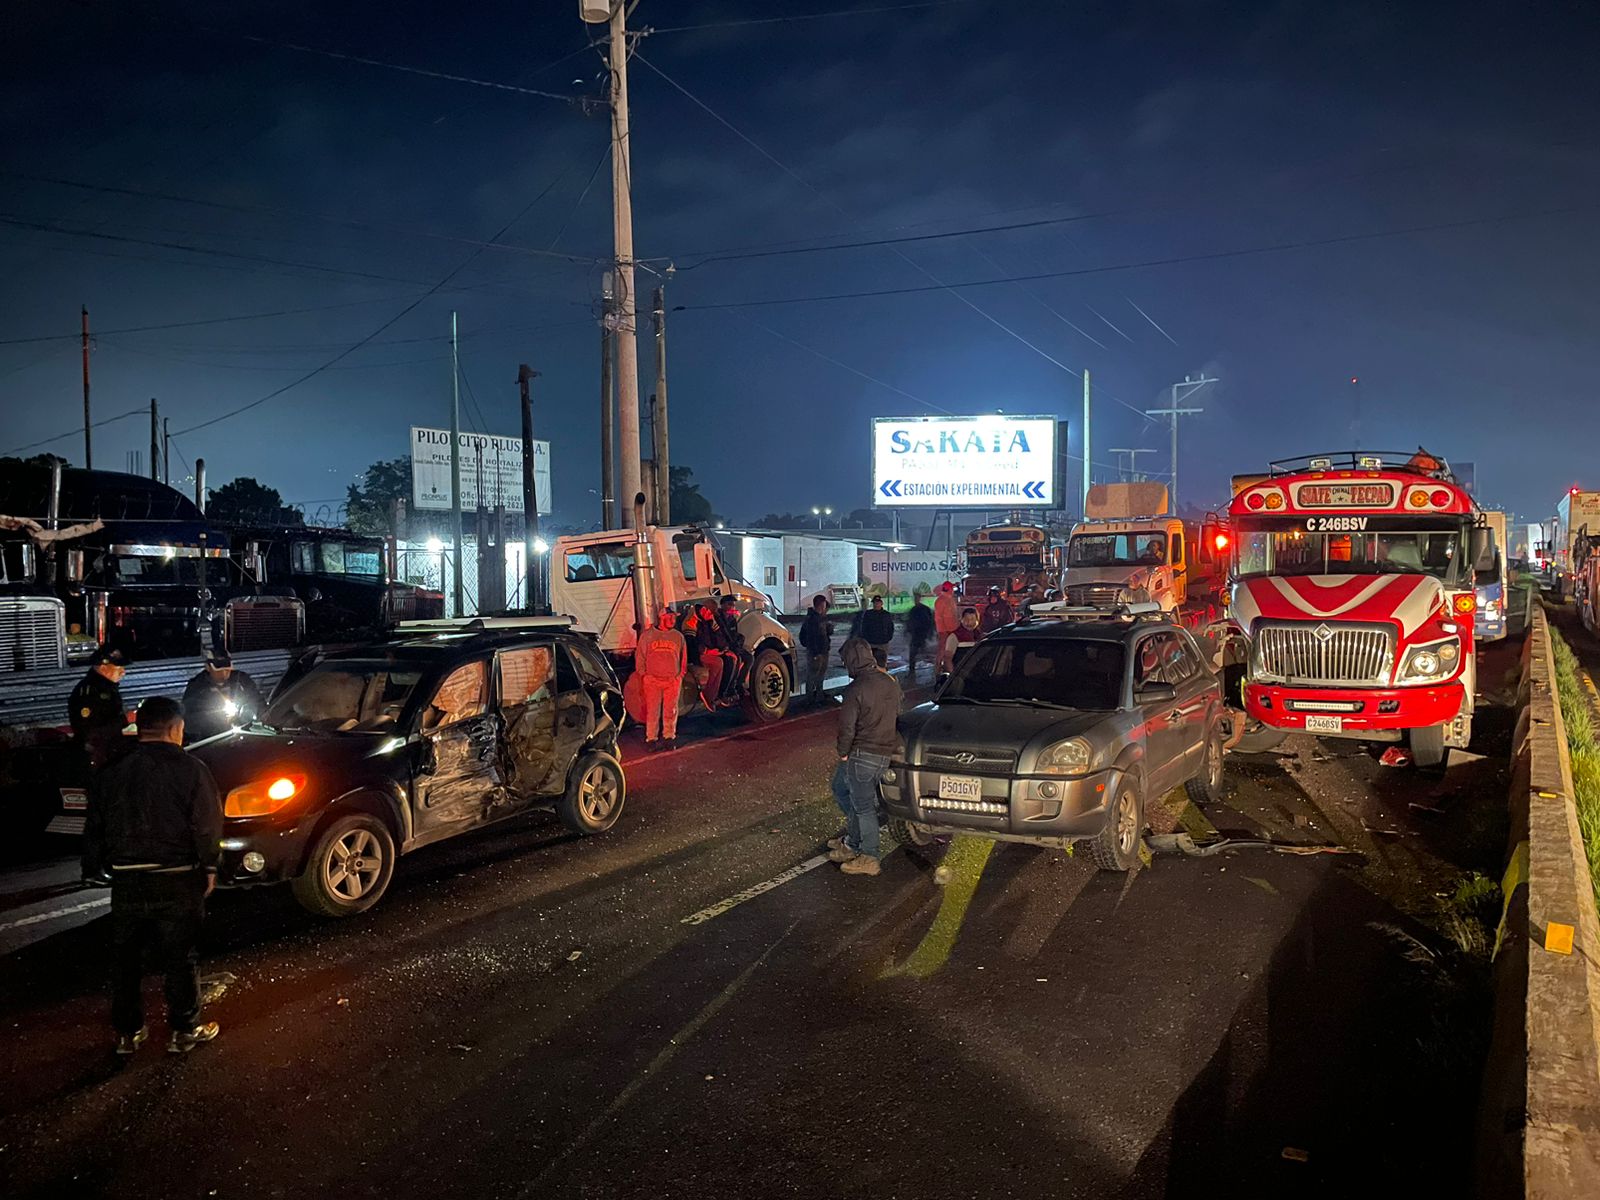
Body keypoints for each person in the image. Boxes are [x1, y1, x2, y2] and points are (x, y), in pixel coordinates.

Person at [82, 696, 222, 1056]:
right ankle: (183, 1031)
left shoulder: (110, 770)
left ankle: (129, 1034)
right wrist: (209, 866)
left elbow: (95, 824)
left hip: (127, 880)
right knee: (180, 957)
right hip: (177, 877)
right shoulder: (191, 768)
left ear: (138, 727)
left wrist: (92, 867)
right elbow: (206, 825)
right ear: (176, 729)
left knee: (125, 961)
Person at [828, 637, 901, 877]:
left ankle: (869, 855)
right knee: (852, 796)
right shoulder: (890, 682)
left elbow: (847, 727)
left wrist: (844, 752)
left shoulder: (856, 688)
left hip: (862, 753)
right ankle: (853, 843)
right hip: (883, 753)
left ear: (852, 661)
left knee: (863, 807)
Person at [181, 650, 266, 744]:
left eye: (227, 670)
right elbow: (188, 719)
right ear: (208, 667)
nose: (224, 674)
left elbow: (259, 702)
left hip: (245, 736)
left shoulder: (242, 680)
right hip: (212, 740)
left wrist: (248, 713)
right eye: (219, 670)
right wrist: (212, 718)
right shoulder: (197, 686)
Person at [69, 647, 131, 770]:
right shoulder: (89, 692)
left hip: (109, 752)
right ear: (103, 668)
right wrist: (125, 719)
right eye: (119, 668)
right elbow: (90, 731)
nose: (123, 672)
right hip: (95, 757)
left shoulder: (108, 689)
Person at [635, 609, 687, 750]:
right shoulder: (647, 636)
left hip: (672, 680)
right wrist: (645, 676)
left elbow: (683, 659)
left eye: (673, 617)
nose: (673, 620)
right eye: (670, 617)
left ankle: (669, 737)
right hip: (652, 680)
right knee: (652, 710)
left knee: (671, 710)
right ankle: (651, 738)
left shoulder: (678, 637)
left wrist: (679, 676)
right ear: (662, 617)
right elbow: (640, 657)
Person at [797, 594, 835, 704]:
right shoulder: (813, 620)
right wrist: (815, 652)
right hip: (817, 652)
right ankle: (810, 698)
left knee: (819, 675)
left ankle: (818, 695)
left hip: (822, 650)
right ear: (820, 605)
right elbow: (810, 637)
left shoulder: (819, 618)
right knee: (813, 674)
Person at [694, 603, 728, 707]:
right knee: (718, 663)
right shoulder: (697, 623)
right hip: (700, 655)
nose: (708, 613)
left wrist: (724, 647)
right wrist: (708, 652)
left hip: (712, 651)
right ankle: (709, 695)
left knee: (732, 659)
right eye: (705, 611)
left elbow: (720, 638)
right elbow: (695, 644)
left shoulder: (709, 623)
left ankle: (724, 692)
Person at [718, 596, 751, 701]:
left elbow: (734, 634)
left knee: (749, 658)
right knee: (734, 659)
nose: (732, 607)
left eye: (733, 605)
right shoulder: (718, 618)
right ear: (722, 605)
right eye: (729, 604)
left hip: (733, 646)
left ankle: (739, 684)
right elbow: (720, 636)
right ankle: (728, 689)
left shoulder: (732, 619)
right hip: (723, 647)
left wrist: (738, 643)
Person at [905, 594, 935, 679]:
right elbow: (910, 622)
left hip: (920, 633)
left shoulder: (921, 609)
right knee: (916, 651)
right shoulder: (917, 609)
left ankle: (914, 670)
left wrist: (929, 632)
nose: (916, 600)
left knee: (916, 651)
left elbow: (929, 622)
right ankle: (912, 669)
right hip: (917, 634)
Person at [860, 596, 895, 667]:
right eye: (875, 603)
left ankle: (883, 674)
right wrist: (866, 638)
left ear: (881, 603)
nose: (876, 605)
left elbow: (890, 627)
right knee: (871, 661)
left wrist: (888, 637)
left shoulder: (886, 614)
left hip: (883, 642)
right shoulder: (868, 614)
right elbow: (864, 627)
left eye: (878, 603)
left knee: (882, 662)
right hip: (871, 642)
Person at [933, 582, 960, 673]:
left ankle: (940, 667)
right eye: (952, 588)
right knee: (944, 650)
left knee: (942, 649)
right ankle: (940, 669)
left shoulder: (942, 599)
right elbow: (947, 617)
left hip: (944, 630)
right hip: (946, 630)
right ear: (949, 590)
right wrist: (951, 630)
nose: (953, 590)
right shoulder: (946, 600)